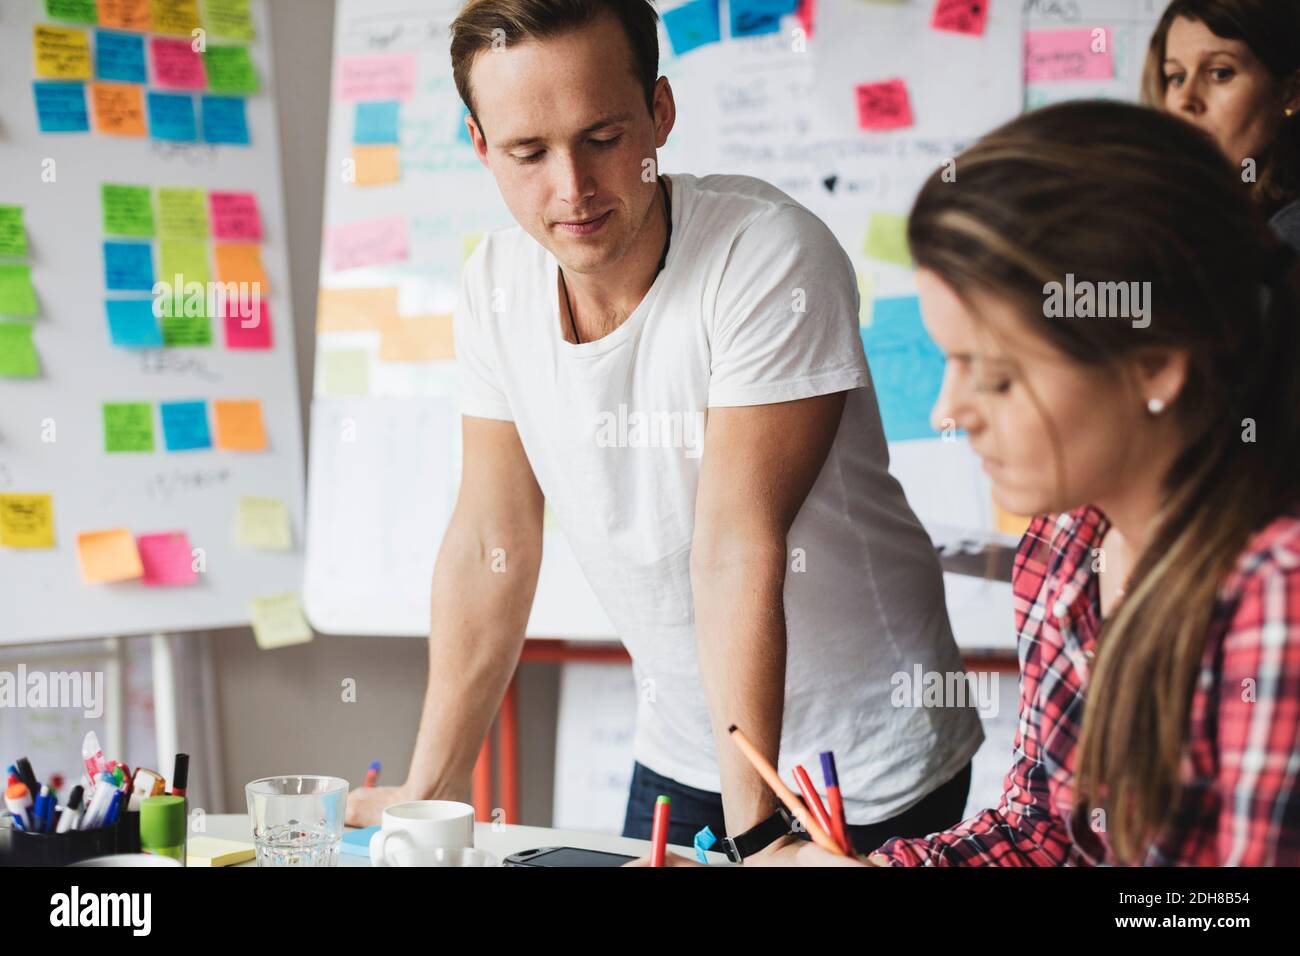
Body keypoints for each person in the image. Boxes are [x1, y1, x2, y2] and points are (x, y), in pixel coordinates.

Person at [345, 0, 982, 863]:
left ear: (661, 114)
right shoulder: (494, 284)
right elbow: (491, 542)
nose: (571, 187)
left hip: (861, 757)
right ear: (480, 146)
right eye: (529, 152)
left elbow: (735, 545)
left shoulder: (767, 257)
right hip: (684, 742)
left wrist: (760, 835)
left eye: (603, 137)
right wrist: (430, 794)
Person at [639, 99, 1300, 867]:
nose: (949, 410)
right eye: (949, 361)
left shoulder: (1274, 598)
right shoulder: (1065, 545)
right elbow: (1041, 830)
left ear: (1154, 363)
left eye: (995, 376)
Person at [1144, 0, 1300, 249]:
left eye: (1220, 73)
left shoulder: (1288, 237)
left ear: (1290, 92)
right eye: (1177, 77)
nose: (1186, 99)